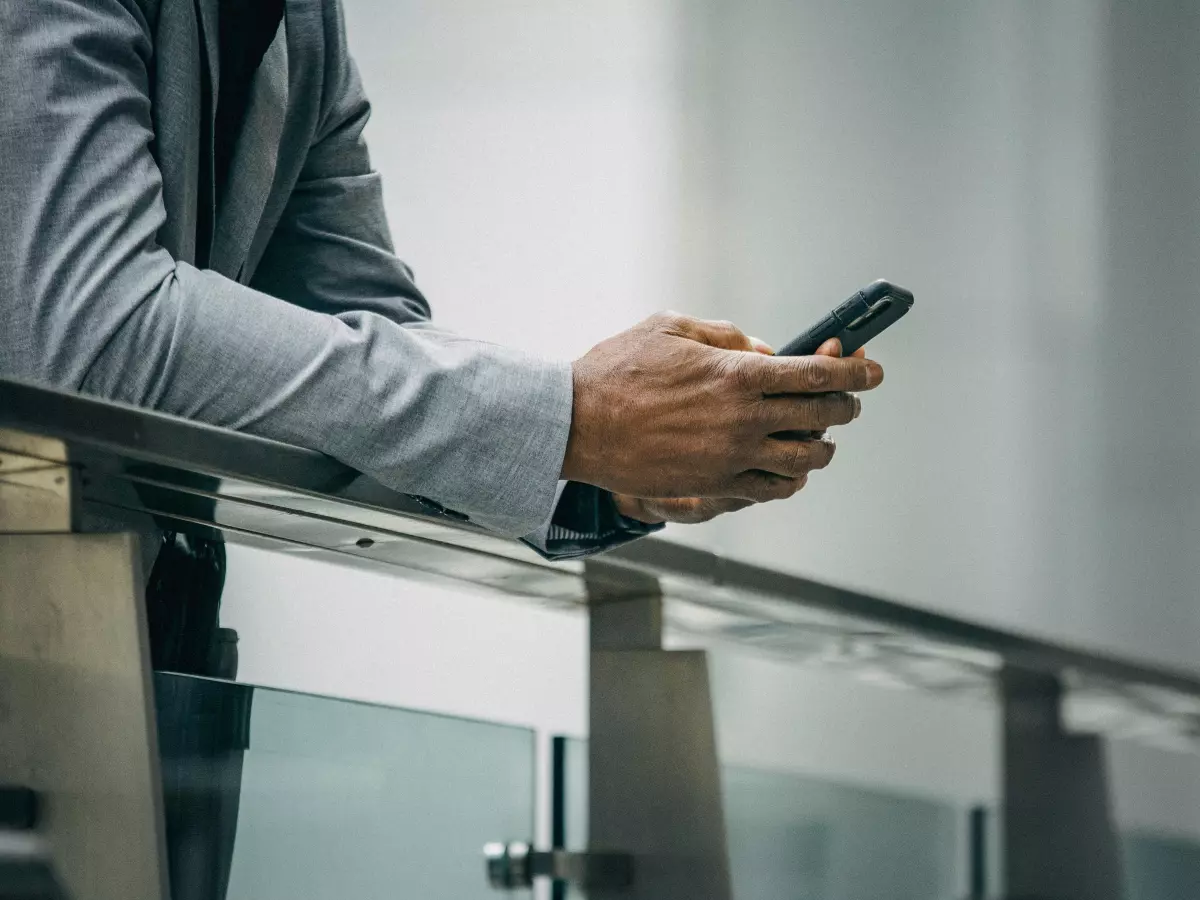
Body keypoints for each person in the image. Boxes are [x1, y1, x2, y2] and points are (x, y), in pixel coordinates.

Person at [0, 2, 885, 898]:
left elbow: (366, 346)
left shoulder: (301, 17)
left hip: (134, 649)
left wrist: (605, 471)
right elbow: (91, 330)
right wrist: (574, 420)